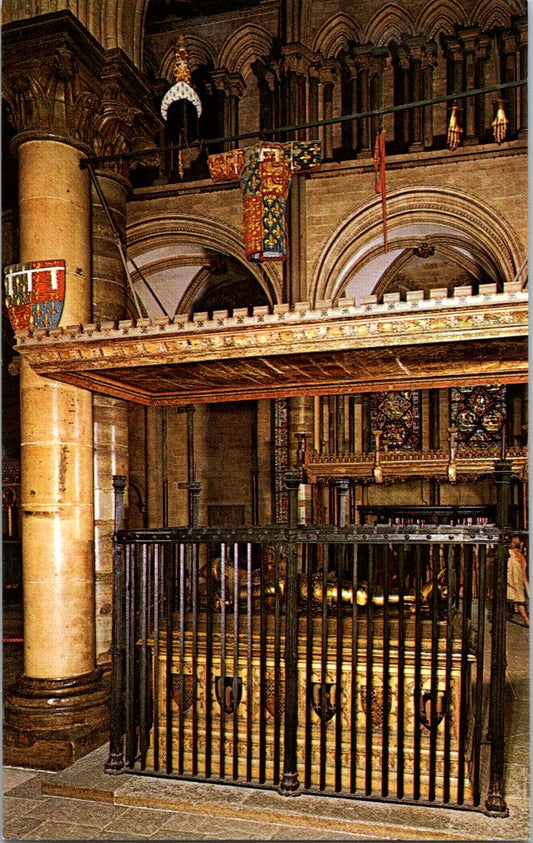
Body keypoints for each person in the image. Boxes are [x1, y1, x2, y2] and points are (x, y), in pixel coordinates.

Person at [507, 536, 529, 626]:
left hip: (510, 581)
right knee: (519, 600)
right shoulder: (520, 556)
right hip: (517, 582)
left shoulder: (508, 554)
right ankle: (527, 620)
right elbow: (523, 573)